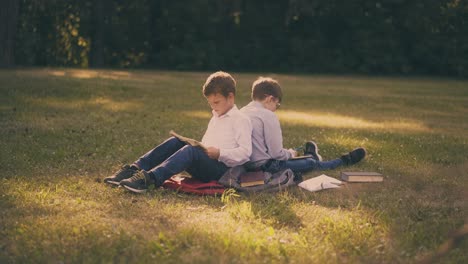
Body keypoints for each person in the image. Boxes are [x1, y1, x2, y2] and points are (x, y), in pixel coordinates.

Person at [104, 71, 252, 193]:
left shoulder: (241, 120)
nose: (213, 107)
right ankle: (133, 169)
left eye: (216, 102)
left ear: (230, 97)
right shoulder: (216, 116)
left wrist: (220, 153)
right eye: (210, 103)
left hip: (223, 171)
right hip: (208, 162)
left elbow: (245, 153)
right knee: (177, 142)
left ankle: (151, 179)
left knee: (191, 151)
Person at [240, 77, 366, 177]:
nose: (275, 109)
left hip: (245, 166)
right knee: (310, 163)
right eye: (277, 105)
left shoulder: (243, 111)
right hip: (265, 167)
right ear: (270, 99)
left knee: (296, 159)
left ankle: (311, 155)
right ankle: (342, 161)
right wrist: (290, 153)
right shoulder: (268, 115)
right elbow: (276, 154)